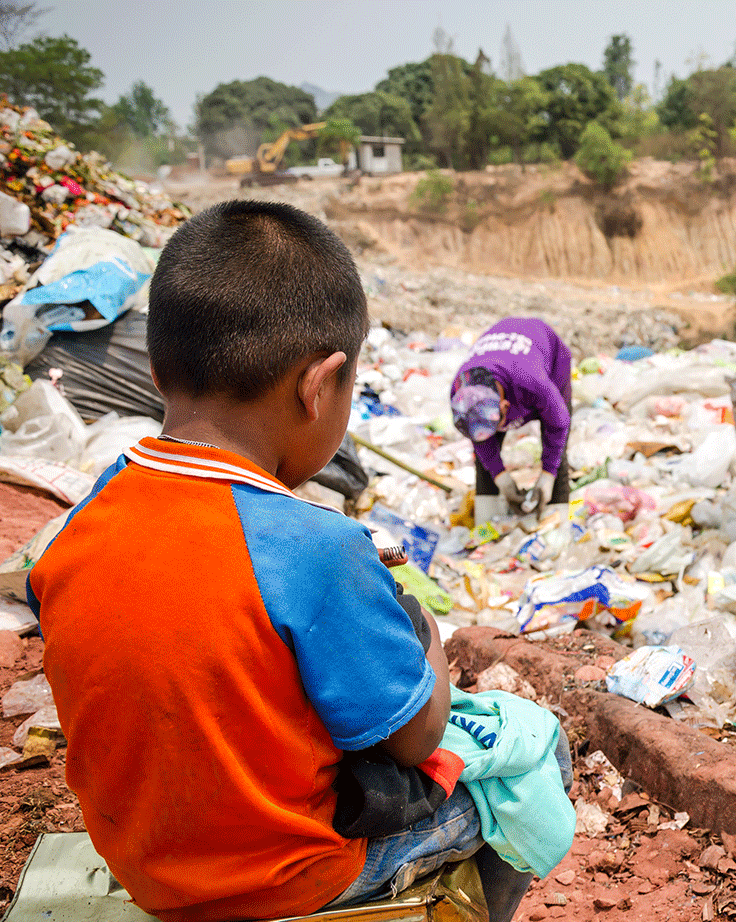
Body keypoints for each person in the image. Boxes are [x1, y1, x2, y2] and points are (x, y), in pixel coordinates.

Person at [26, 201, 568, 922]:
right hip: (282, 878)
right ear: (320, 385)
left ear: (157, 371)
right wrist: (424, 626)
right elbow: (416, 737)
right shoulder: (315, 548)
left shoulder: (77, 527)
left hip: (148, 865)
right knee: (535, 751)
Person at [450, 318, 572, 525]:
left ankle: (556, 518)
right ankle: (487, 523)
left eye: (496, 424)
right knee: (485, 451)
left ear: (506, 407)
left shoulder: (531, 382)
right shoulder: (460, 391)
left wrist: (548, 476)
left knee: (557, 449)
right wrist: (501, 478)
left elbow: (559, 423)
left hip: (548, 355)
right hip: (502, 354)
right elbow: (480, 438)